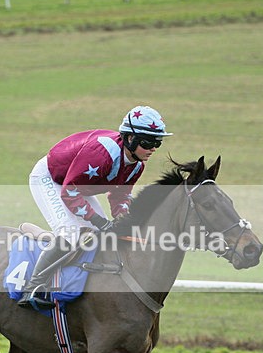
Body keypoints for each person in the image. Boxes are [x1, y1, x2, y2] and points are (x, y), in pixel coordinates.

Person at [18, 105, 173, 310]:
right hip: (52, 179)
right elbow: (69, 192)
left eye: (157, 143)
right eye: (148, 142)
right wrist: (99, 220)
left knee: (99, 234)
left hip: (76, 185)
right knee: (72, 233)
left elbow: (121, 195)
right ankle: (33, 286)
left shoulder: (136, 164)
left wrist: (124, 222)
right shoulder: (102, 155)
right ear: (129, 139)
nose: (153, 148)